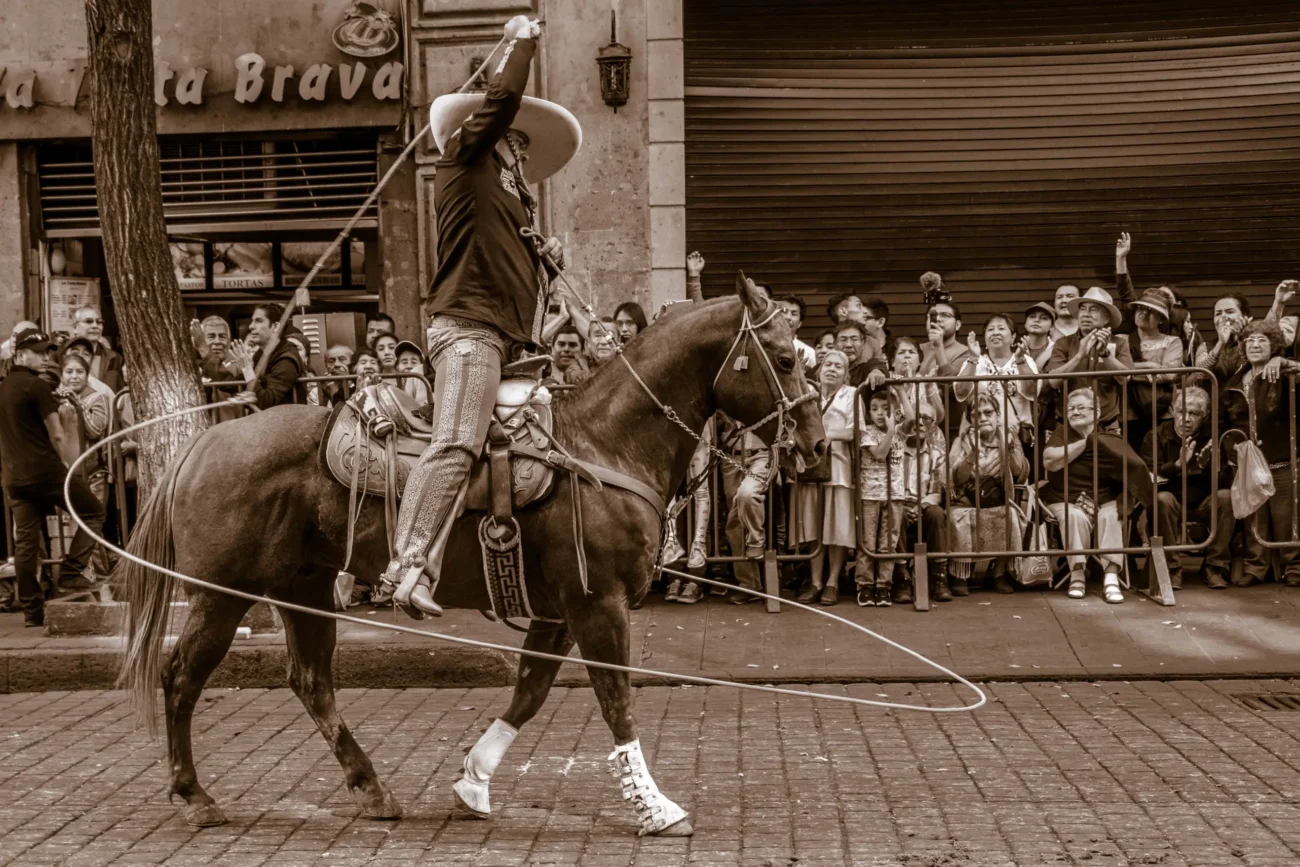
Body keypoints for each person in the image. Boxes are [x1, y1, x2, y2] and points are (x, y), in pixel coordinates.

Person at [384, 14, 580, 617]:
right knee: (457, 442)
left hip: (507, 343)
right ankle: (407, 567)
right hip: (470, 332)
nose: (522, 156)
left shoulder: (511, 206)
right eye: (516, 145)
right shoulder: (464, 159)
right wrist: (522, 40)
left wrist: (545, 263)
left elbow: (520, 288)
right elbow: (501, 100)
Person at [0, 328, 106, 627]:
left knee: (26, 543)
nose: (45, 358)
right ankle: (71, 573)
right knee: (94, 511)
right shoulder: (37, 387)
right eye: (38, 353)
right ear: (20, 355)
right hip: (46, 472)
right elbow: (57, 433)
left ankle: (32, 613)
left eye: (47, 352)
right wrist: (66, 464)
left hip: (14, 477)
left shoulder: (3, 387)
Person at [1042, 388, 1153, 603]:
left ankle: (1111, 576)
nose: (1075, 412)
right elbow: (1049, 461)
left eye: (1081, 408)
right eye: (1071, 409)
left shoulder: (1109, 438)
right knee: (1074, 515)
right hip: (1065, 498)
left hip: (1104, 498)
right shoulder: (1062, 432)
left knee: (1112, 515)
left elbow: (1132, 465)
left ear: (1097, 412)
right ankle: (1077, 574)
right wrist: (1086, 443)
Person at [1220, 319, 1300, 588]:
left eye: (1262, 340)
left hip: (1281, 457)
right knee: (1254, 517)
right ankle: (1256, 567)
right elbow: (1226, 422)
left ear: (1274, 345)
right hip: (1246, 460)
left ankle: (1294, 567)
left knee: (1287, 518)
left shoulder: (1285, 374)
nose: (1255, 345)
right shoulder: (1233, 381)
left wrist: (1287, 363)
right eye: (1250, 341)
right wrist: (1231, 449)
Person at [1141, 386, 1232, 590]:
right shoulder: (1156, 435)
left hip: (1203, 501)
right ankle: (1172, 567)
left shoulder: (1213, 437)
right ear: (1173, 410)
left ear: (1205, 416)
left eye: (1194, 414)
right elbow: (1149, 475)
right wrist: (1177, 466)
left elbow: (1226, 479)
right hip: (1171, 502)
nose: (1187, 419)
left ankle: (1214, 567)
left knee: (1226, 497)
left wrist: (1206, 467)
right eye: (1182, 412)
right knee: (1162, 499)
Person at [795, 349, 861, 606]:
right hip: (811, 467)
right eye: (828, 365)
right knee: (813, 526)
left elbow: (857, 430)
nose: (832, 369)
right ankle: (815, 582)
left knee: (837, 528)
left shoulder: (852, 394)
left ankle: (832, 582)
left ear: (846, 375)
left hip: (839, 469)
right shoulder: (808, 392)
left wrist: (829, 435)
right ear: (820, 370)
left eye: (838, 366)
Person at [947, 392, 1028, 595]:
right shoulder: (962, 441)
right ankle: (960, 575)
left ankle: (999, 574)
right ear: (970, 420)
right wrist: (973, 454)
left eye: (988, 412)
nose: (983, 418)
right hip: (966, 501)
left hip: (997, 500)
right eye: (976, 414)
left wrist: (1009, 447)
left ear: (998, 415)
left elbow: (1018, 472)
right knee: (958, 517)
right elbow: (955, 479)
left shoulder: (1008, 438)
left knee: (1010, 515)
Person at [1046, 286, 1133, 432]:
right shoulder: (1064, 343)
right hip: (1069, 426)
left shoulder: (1119, 343)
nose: (1086, 314)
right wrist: (1079, 356)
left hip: (1106, 425)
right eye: (1082, 309)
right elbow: (1053, 382)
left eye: (1093, 309)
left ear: (1106, 318)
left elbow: (1125, 379)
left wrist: (1105, 355)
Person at [954, 314, 1038, 442]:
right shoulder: (975, 361)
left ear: (1013, 337)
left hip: (1015, 438)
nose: (995, 333)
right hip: (978, 438)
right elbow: (960, 393)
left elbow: (1032, 392)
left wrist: (1020, 360)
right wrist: (973, 359)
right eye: (991, 329)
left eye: (1001, 328)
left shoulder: (1025, 361)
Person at [856, 388, 904, 607]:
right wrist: (891, 431)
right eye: (874, 409)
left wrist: (900, 390)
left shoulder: (901, 430)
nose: (880, 413)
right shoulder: (866, 432)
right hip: (870, 494)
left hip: (894, 493)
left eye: (885, 409)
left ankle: (884, 585)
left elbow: (912, 419)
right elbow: (879, 454)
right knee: (868, 542)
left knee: (888, 542)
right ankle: (865, 585)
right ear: (868, 413)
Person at [244, 303, 308, 409]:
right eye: (252, 321)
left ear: (276, 326)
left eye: (258, 321)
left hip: (286, 418)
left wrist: (247, 370)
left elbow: (267, 402)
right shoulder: (259, 355)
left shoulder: (286, 359)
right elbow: (230, 386)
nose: (251, 326)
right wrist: (219, 358)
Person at [70, 306, 123, 392]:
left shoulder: (115, 358)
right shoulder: (59, 356)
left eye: (99, 322)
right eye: (88, 321)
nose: (95, 326)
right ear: (75, 328)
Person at [777, 295, 817, 369]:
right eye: (784, 311)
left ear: (799, 324)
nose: (788, 317)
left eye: (794, 314)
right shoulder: (762, 346)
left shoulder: (809, 353)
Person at [1022, 302, 1056, 372]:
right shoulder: (1014, 349)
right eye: (1032, 316)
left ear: (1052, 327)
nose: (1036, 320)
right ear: (1025, 324)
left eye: (1044, 318)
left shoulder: (1058, 350)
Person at [395, 341, 431, 405]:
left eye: (414, 362)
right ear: (397, 367)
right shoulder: (393, 389)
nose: (409, 366)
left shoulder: (426, 385)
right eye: (404, 362)